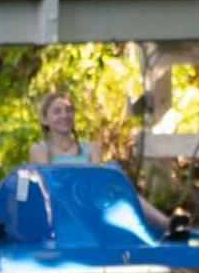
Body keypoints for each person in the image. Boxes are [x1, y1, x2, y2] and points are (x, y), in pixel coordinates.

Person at [26, 91, 180, 236]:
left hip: (90, 202)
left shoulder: (92, 148)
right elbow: (49, 182)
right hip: (59, 206)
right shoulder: (40, 149)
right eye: (57, 111)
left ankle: (167, 224)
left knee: (120, 186)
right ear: (45, 119)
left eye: (68, 110)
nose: (64, 115)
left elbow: (97, 180)